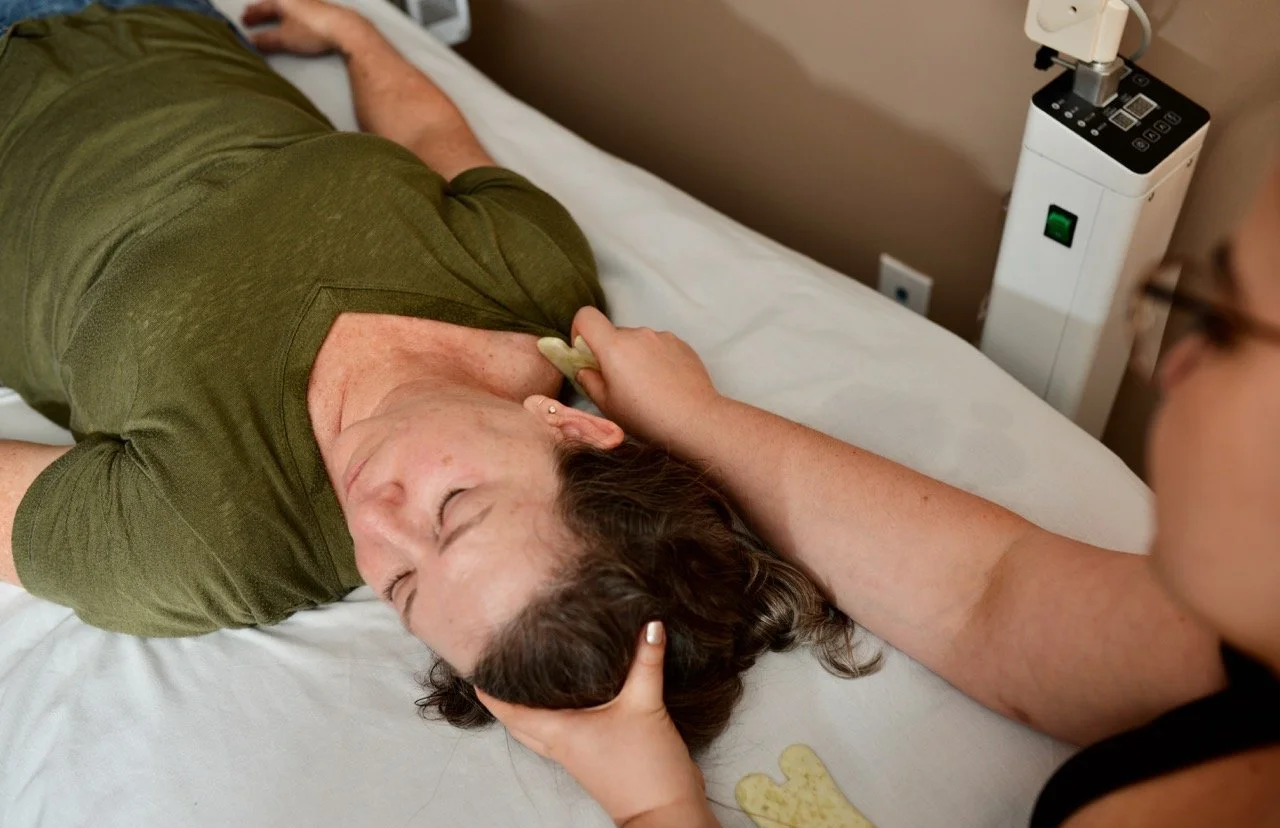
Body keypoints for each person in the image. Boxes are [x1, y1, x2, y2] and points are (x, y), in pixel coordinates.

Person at [0, 0, 874, 752]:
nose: (375, 524)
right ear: (568, 426)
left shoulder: (212, 537)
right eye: (450, 511)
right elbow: (427, 140)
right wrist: (358, 38)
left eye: (405, 590)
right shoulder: (530, 284)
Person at [479, 167, 1280, 828]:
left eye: (1228, 326)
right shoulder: (1250, 620)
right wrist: (699, 419)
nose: (1177, 367)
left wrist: (659, 814)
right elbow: (988, 596)